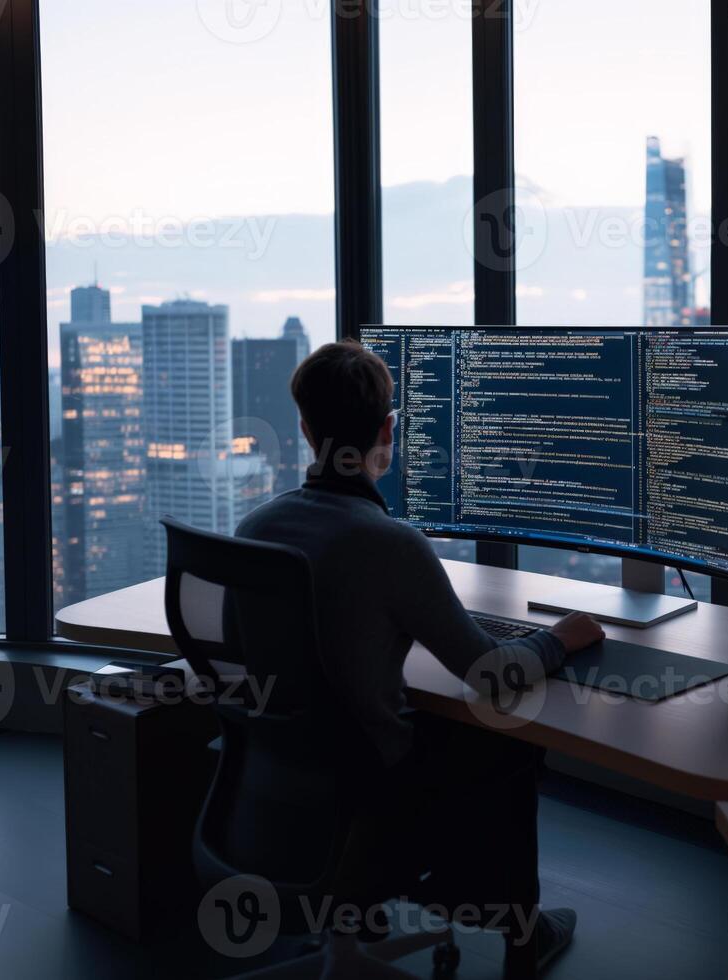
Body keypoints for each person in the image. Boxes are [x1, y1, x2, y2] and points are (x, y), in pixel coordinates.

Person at [236, 339, 604, 978]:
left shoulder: (255, 530)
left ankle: (363, 910)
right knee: (508, 739)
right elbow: (489, 675)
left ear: (303, 429)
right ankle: (521, 935)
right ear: (388, 430)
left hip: (275, 780)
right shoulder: (391, 543)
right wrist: (559, 639)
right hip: (371, 782)